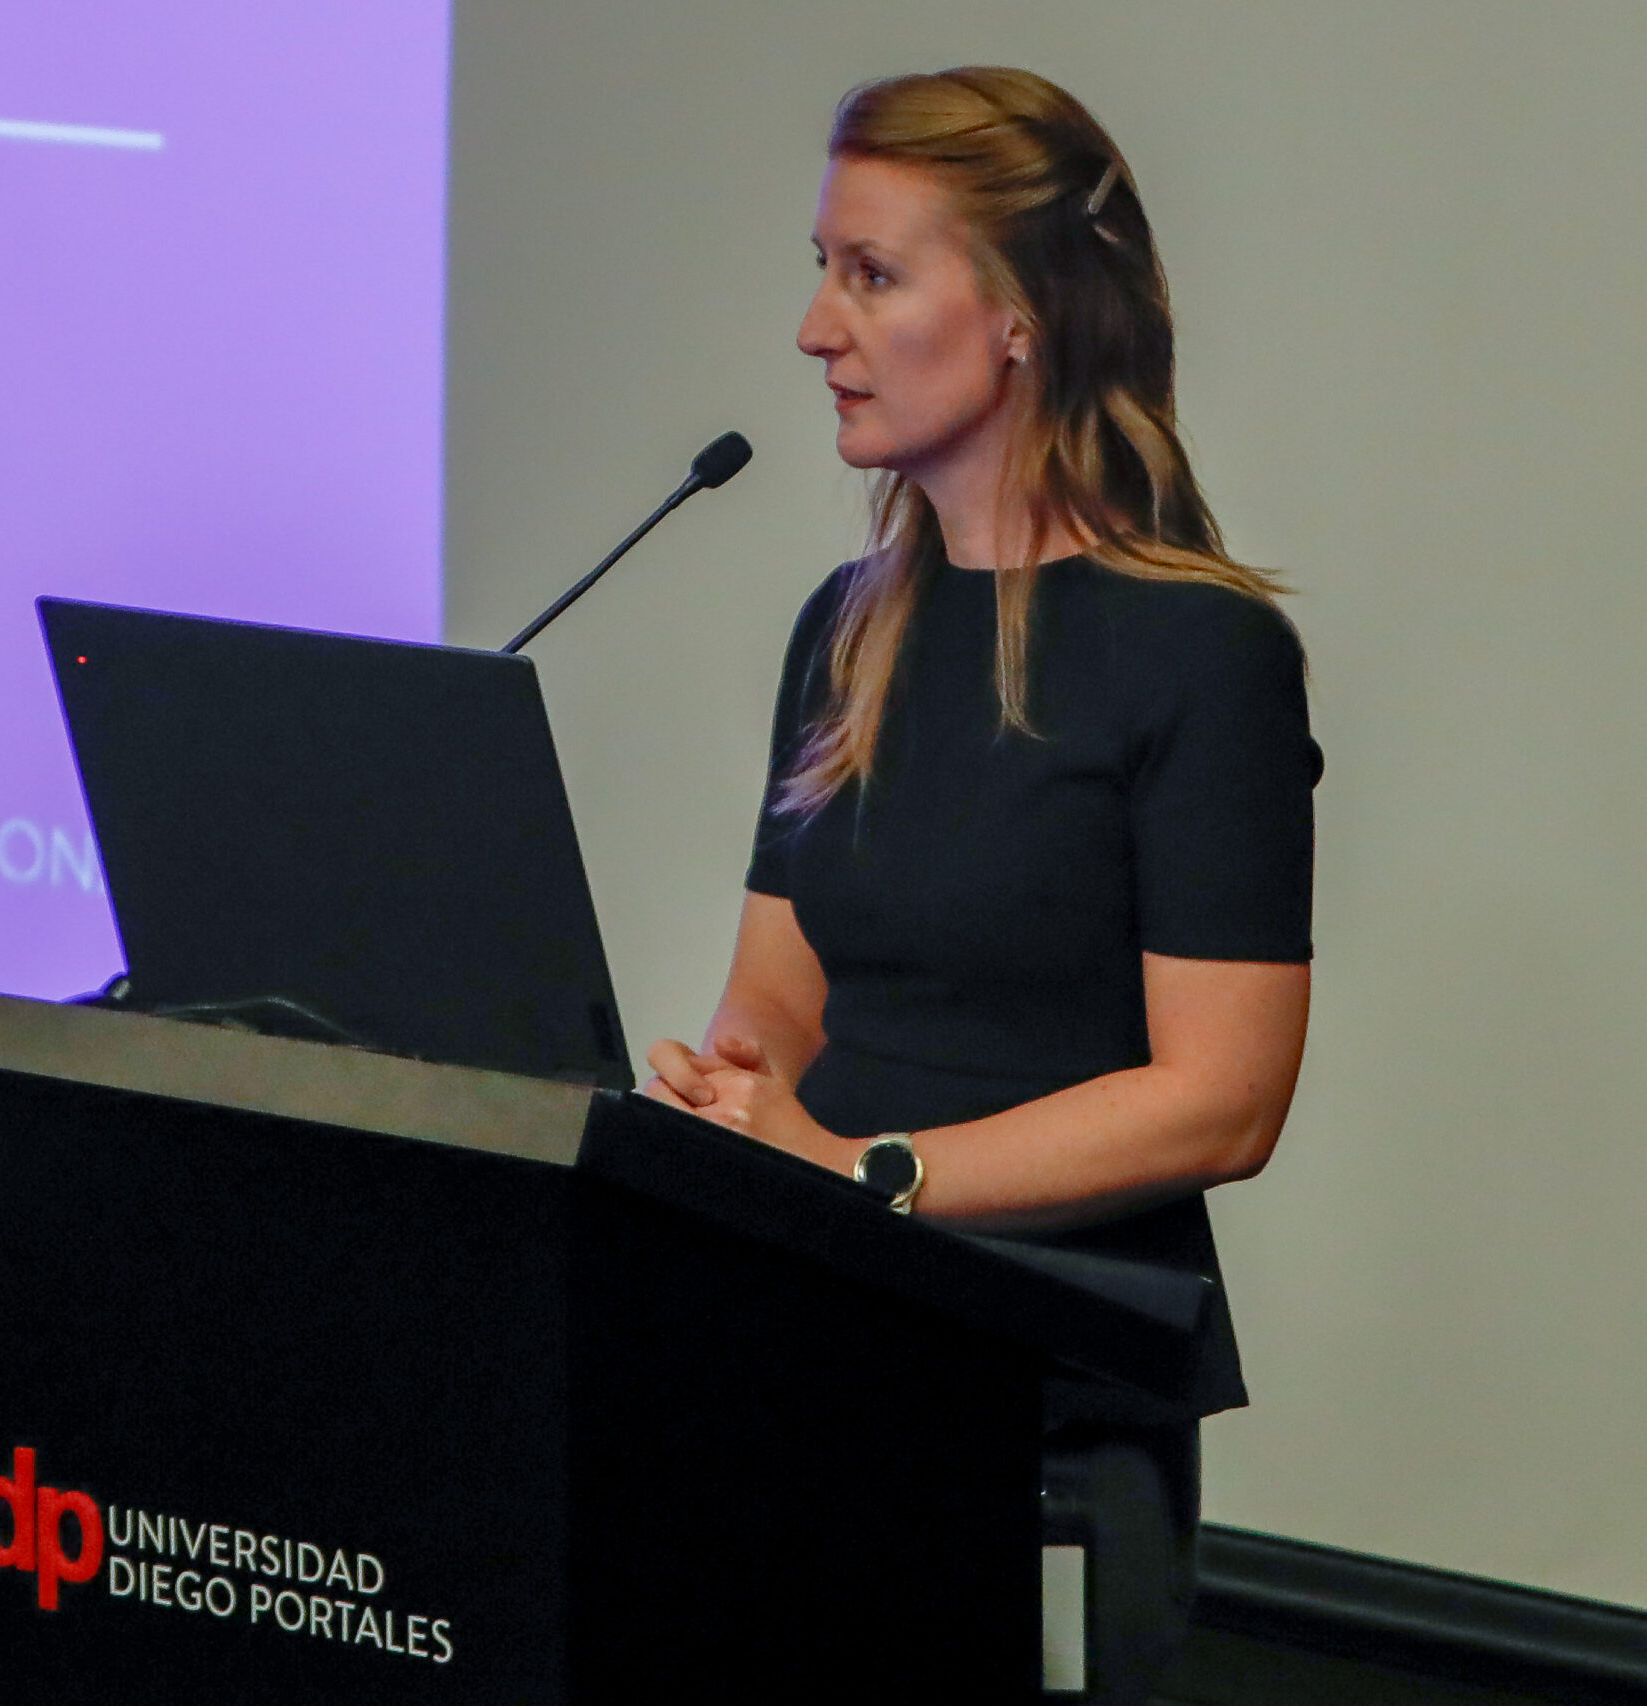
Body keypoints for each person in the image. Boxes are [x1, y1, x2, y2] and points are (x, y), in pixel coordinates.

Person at [644, 67, 1318, 1705]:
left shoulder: (1205, 651)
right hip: (826, 1341)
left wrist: (864, 1175)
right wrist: (733, 1110)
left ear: (1021, 318)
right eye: (823, 269)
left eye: (871, 275)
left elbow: (1223, 1099)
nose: (816, 327)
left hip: (1052, 1387)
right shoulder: (849, 626)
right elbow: (779, 996)